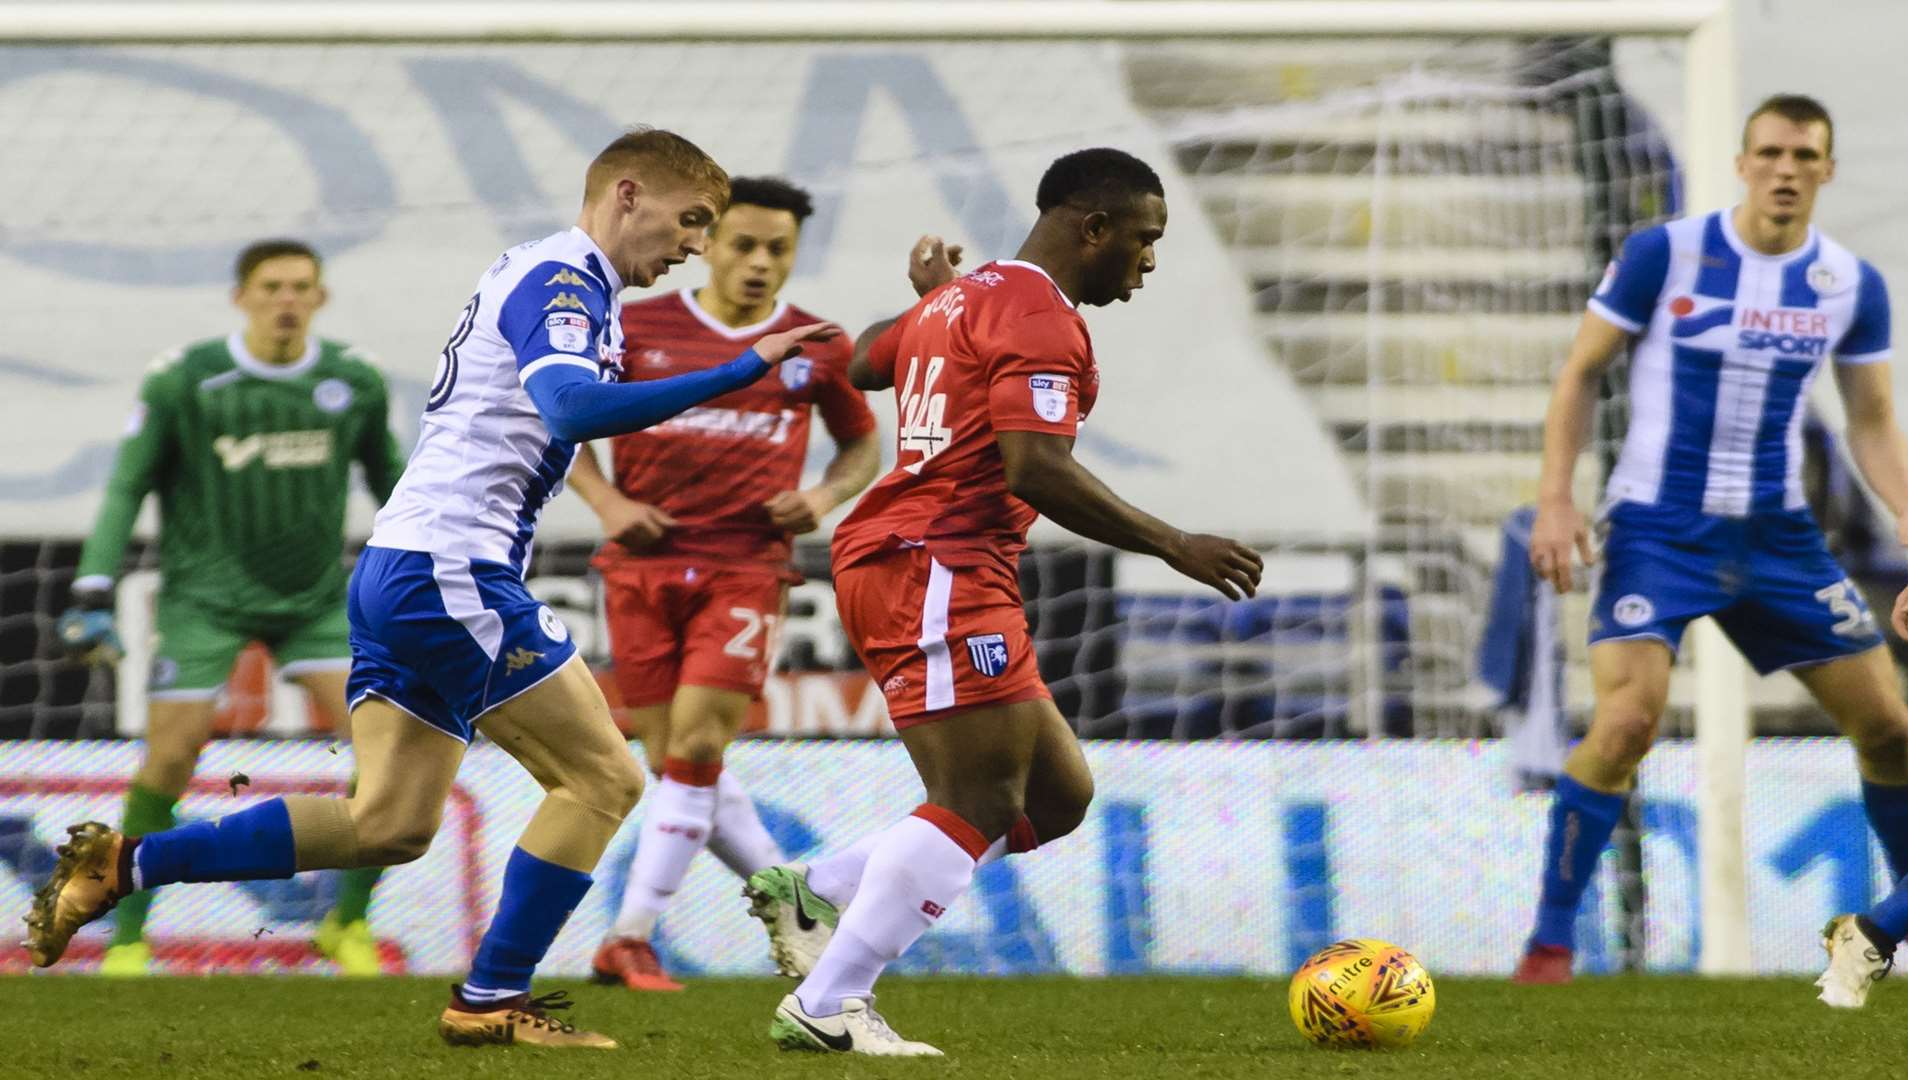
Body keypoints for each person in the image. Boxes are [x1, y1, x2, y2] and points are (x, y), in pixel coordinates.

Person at [26, 127, 837, 1050]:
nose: (696, 245)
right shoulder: (566, 279)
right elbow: (571, 407)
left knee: (388, 823)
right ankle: (491, 1000)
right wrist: (745, 365)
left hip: (404, 568)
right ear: (625, 193)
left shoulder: (558, 277)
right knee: (605, 776)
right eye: (690, 220)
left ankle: (123, 863)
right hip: (450, 571)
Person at [745, 148, 1263, 1056]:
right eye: (1144, 240)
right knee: (978, 797)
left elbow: (867, 360)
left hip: (931, 557)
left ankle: (818, 889)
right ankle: (830, 1001)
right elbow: (1037, 468)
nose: (1149, 261)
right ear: (1091, 227)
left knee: (1057, 796)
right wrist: (1176, 542)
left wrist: (933, 306)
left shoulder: (969, 296)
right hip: (935, 559)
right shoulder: (1038, 318)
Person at [1514, 94, 1908, 989]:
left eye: (1804, 156)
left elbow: (1874, 418)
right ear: (1742, 164)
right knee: (1626, 722)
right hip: (1658, 528)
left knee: (1890, 728)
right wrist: (1555, 498)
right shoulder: (1668, 252)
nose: (1786, 169)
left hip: (1778, 536)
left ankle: (1905, 922)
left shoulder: (1849, 283)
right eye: (1770, 152)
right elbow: (1581, 372)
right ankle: (1549, 943)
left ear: (1827, 170)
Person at [56, 238, 404, 977]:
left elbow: (397, 487)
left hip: (314, 602)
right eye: (272, 286)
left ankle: (346, 922)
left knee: (382, 752)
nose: (287, 299)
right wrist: (93, 585)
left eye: (301, 287)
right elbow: (127, 486)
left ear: (320, 299)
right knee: (174, 753)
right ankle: (128, 939)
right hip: (204, 601)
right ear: (241, 297)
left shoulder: (355, 381)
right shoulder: (186, 379)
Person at [570, 176, 880, 992]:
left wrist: (820, 496)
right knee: (676, 762)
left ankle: (629, 935)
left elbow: (862, 448)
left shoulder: (817, 345)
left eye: (779, 249)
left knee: (700, 747)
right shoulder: (636, 326)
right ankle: (796, 906)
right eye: (743, 243)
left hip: (746, 565)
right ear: (707, 242)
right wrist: (607, 501)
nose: (760, 262)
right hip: (639, 566)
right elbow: (561, 421)